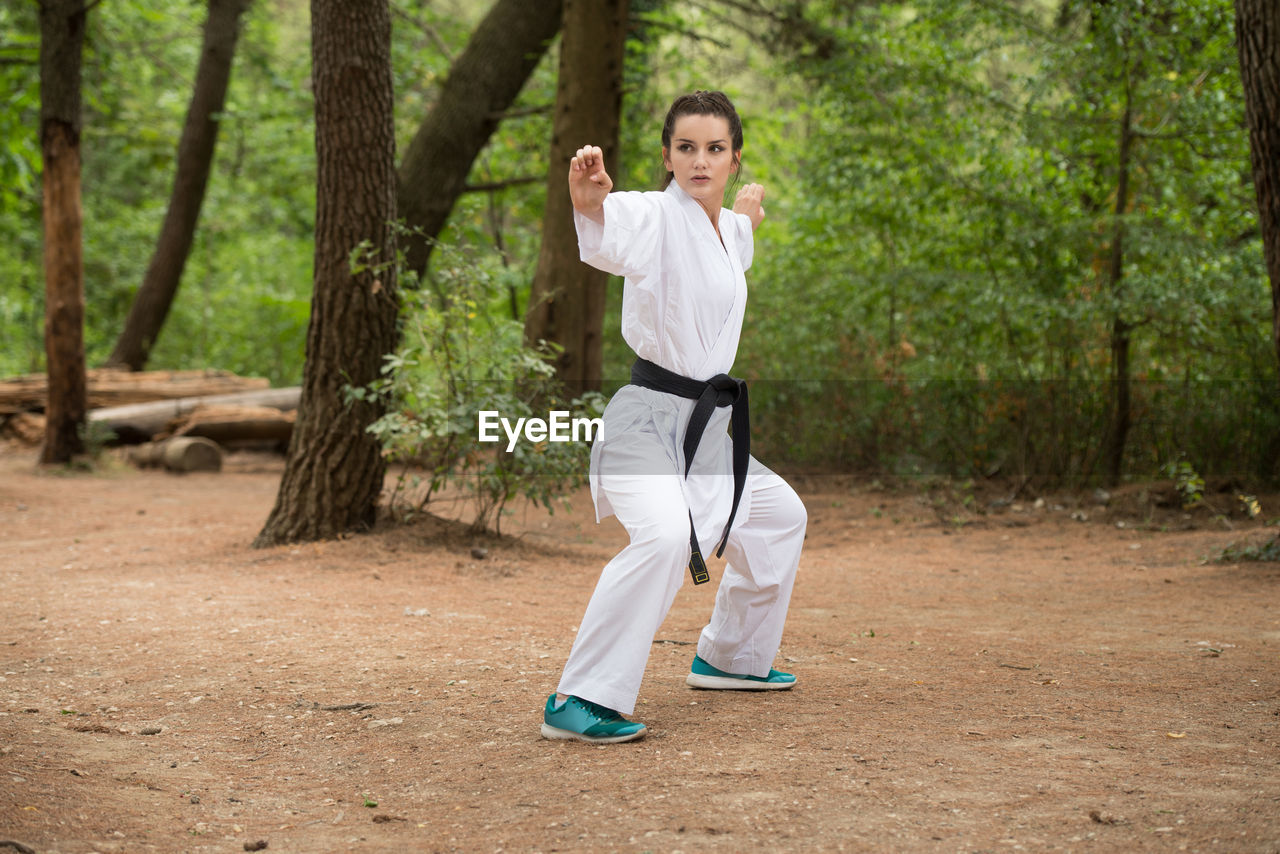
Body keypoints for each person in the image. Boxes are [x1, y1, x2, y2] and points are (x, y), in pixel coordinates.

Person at [540, 91, 808, 744]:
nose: (699, 160)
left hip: (708, 435)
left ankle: (730, 658)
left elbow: (735, 245)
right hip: (648, 424)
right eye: (685, 148)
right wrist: (590, 200)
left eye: (715, 149)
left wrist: (747, 215)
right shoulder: (655, 217)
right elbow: (612, 226)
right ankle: (579, 698)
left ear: (733, 160)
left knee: (779, 517)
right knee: (662, 537)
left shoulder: (724, 231)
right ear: (666, 156)